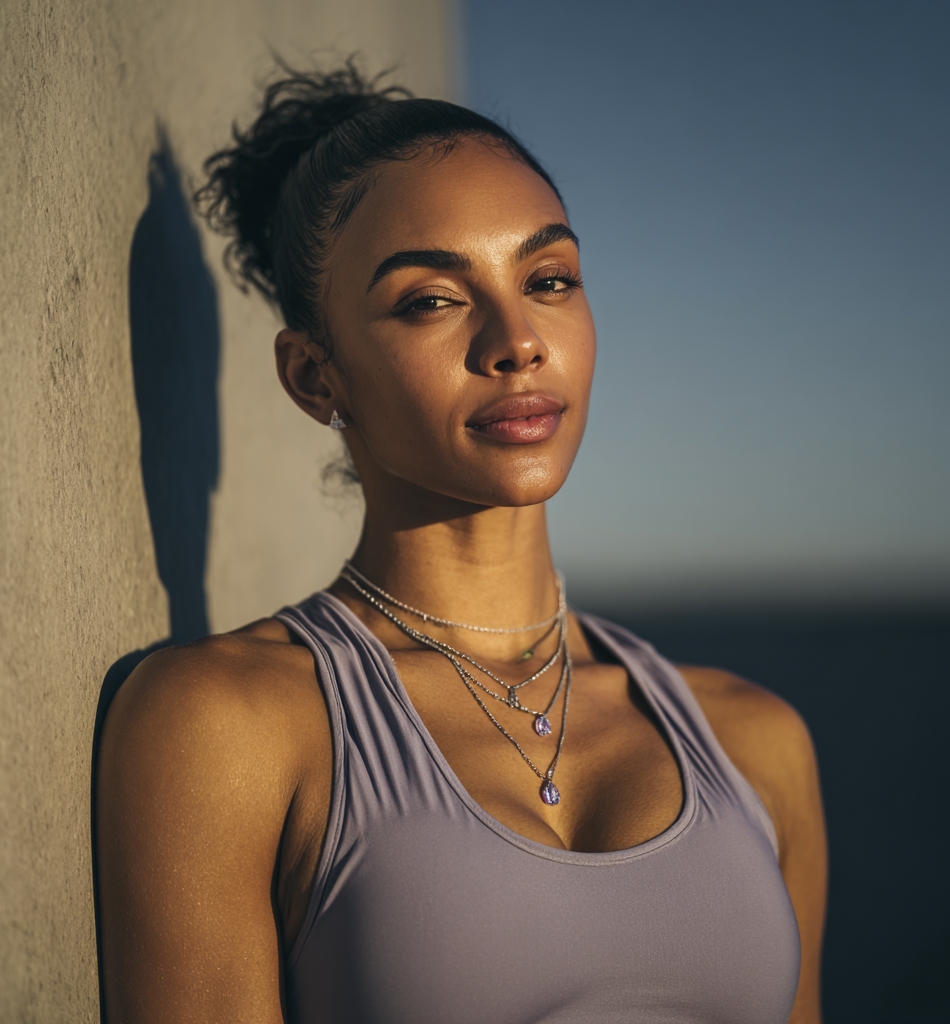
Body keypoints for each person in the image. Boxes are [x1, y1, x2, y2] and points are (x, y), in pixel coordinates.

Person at [96, 61, 827, 1024]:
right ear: (316, 378)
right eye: (431, 300)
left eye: (549, 279)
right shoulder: (229, 727)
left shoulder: (755, 743)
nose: (516, 339)